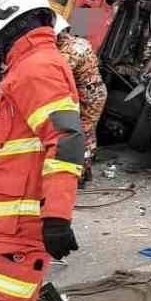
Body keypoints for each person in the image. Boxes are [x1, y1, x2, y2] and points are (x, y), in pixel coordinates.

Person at [0, 0, 84, 301]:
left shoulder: (37, 69)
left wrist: (57, 217)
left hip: (20, 229)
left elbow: (66, 140)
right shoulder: (26, 69)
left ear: (11, 26)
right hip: (5, 228)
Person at [53, 14, 107, 187]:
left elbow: (59, 75)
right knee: (88, 131)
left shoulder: (70, 53)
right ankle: (86, 169)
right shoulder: (80, 42)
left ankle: (81, 174)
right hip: (94, 92)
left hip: (88, 97)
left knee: (83, 132)